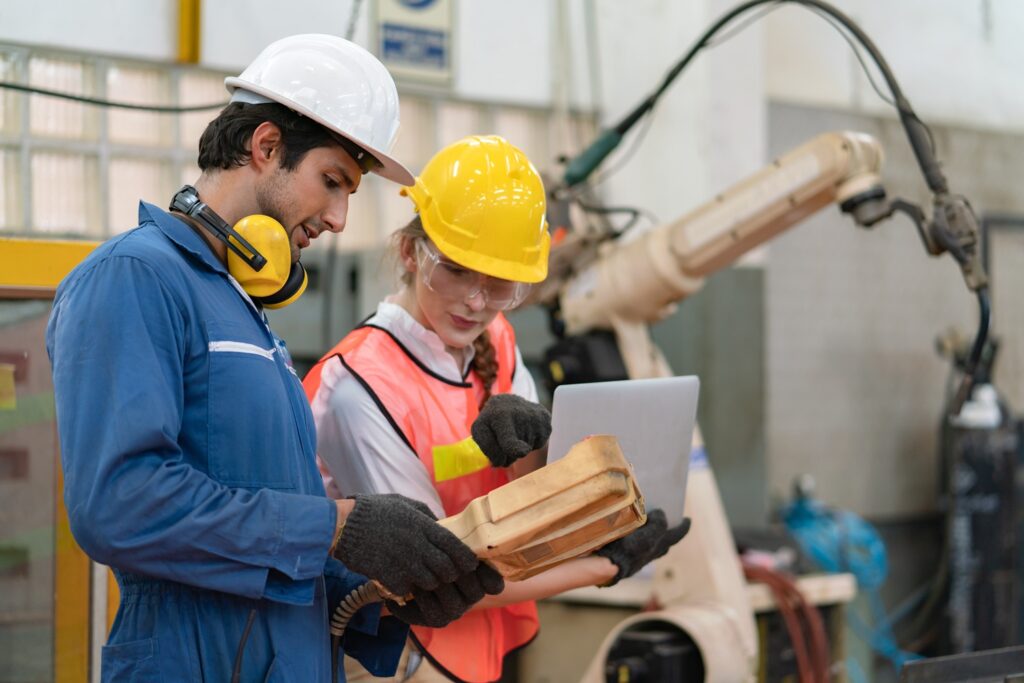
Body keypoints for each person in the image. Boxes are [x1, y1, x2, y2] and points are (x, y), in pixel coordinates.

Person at [46, 35, 503, 682]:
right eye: (332, 182)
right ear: (266, 146)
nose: (339, 218)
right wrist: (338, 525)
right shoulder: (135, 278)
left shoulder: (240, 307)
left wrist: (385, 590)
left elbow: (274, 531)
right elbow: (120, 502)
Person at [303, 135, 691, 682]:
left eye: (500, 282)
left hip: (472, 647)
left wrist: (537, 457)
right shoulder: (359, 387)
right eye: (458, 270)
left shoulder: (496, 341)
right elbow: (440, 575)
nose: (476, 301)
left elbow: (528, 495)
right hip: (390, 653)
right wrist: (605, 564)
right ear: (412, 253)